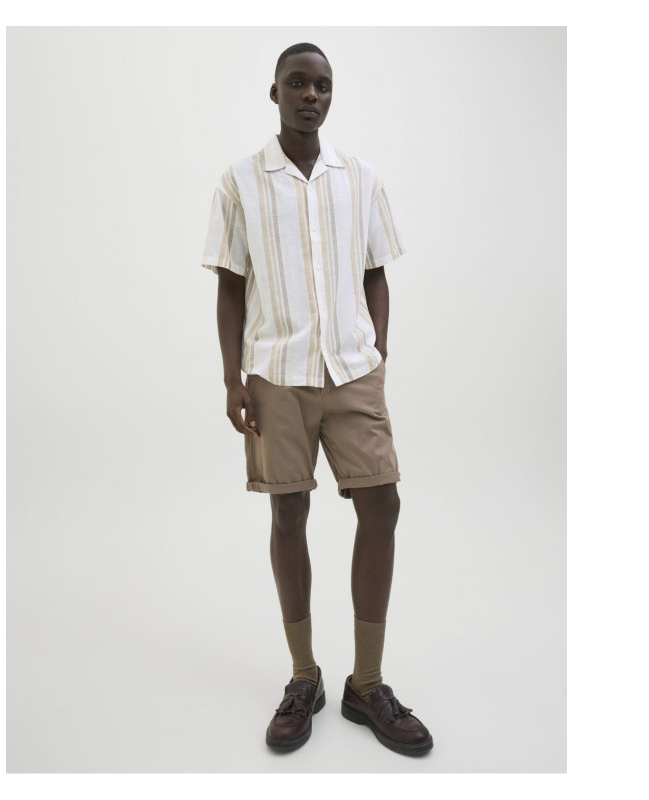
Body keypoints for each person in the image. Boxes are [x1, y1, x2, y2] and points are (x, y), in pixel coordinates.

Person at [200, 42, 433, 757]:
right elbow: (231, 284)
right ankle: (304, 677)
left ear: (331, 95)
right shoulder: (240, 182)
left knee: (382, 503)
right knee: (288, 512)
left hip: (352, 371)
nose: (310, 94)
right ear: (274, 93)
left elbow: (376, 272)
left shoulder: (360, 178)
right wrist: (232, 379)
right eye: (297, 83)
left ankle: (368, 684)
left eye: (322, 85)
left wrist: (378, 352)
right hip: (276, 373)